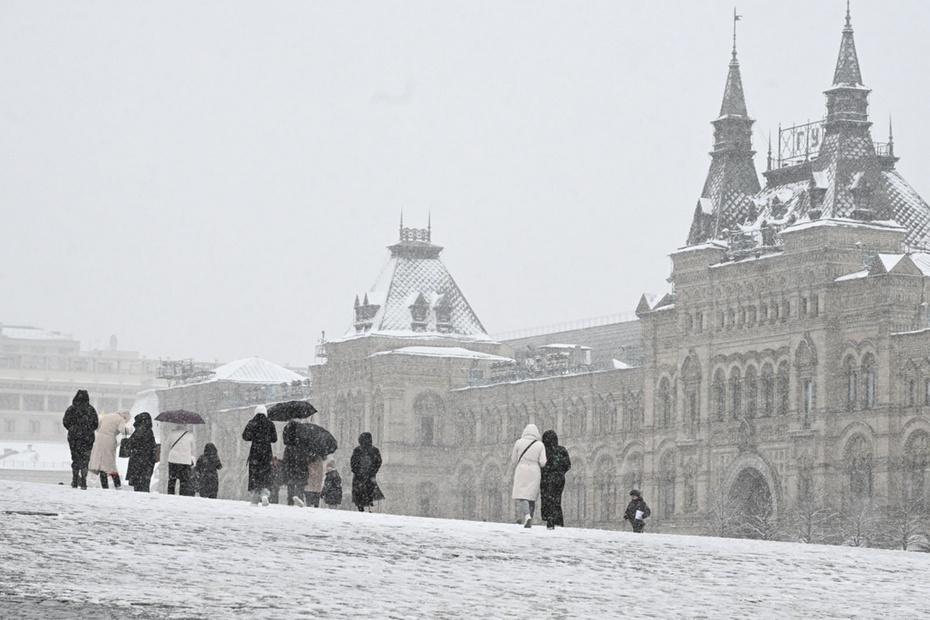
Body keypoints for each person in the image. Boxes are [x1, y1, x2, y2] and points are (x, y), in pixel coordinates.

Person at [511, 423, 547, 528]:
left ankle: (527, 516)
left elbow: (514, 459)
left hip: (522, 469)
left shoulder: (519, 442)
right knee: (531, 496)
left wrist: (522, 461)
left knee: (522, 495)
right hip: (534, 471)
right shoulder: (540, 445)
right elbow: (543, 462)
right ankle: (530, 516)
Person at [62, 389, 98, 490]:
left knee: (75, 458)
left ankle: (74, 479)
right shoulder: (91, 410)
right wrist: (88, 430)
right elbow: (96, 424)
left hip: (74, 438)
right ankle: (83, 481)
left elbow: (65, 422)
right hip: (87, 438)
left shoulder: (71, 409)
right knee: (85, 460)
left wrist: (73, 429)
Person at [242, 404, 277, 506]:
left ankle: (254, 498)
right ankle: (264, 494)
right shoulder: (270, 424)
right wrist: (266, 438)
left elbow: (245, 436)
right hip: (266, 453)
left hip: (255, 454)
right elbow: (274, 439)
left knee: (254, 475)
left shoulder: (252, 423)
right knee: (265, 475)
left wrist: (255, 437)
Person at [88, 409, 131, 489]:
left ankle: (105, 486)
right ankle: (117, 485)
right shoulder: (120, 419)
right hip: (109, 440)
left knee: (101, 465)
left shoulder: (107, 416)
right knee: (110, 464)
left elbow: (97, 426)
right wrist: (130, 430)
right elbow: (123, 430)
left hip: (99, 439)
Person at [540, 429, 571, 529]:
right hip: (559, 479)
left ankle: (550, 519)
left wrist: (546, 471)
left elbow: (541, 463)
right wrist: (560, 472)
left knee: (547, 499)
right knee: (557, 500)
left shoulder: (544, 451)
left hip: (547, 479)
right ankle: (558, 521)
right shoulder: (562, 450)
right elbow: (568, 465)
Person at [350, 432, 383, 512]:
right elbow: (378, 462)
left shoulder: (357, 450)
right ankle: (369, 505)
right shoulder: (374, 450)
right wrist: (373, 471)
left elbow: (353, 462)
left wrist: (356, 471)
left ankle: (360, 507)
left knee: (359, 492)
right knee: (369, 491)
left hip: (359, 476)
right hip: (369, 476)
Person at [126, 412, 157, 493]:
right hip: (148, 460)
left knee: (138, 484)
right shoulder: (149, 431)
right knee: (145, 483)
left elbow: (131, 443)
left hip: (138, 459)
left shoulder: (139, 430)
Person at [283, 419, 310, 507]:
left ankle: (290, 500)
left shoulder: (287, 428)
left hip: (290, 456)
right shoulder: (304, 429)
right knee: (300, 482)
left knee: (290, 482)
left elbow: (285, 441)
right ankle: (299, 497)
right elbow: (308, 443)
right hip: (301, 457)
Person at [166, 424, 196, 496]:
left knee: (172, 480)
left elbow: (166, 445)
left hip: (173, 459)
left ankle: (170, 495)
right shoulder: (190, 435)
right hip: (185, 460)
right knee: (184, 481)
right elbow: (194, 448)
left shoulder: (172, 433)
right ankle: (182, 495)